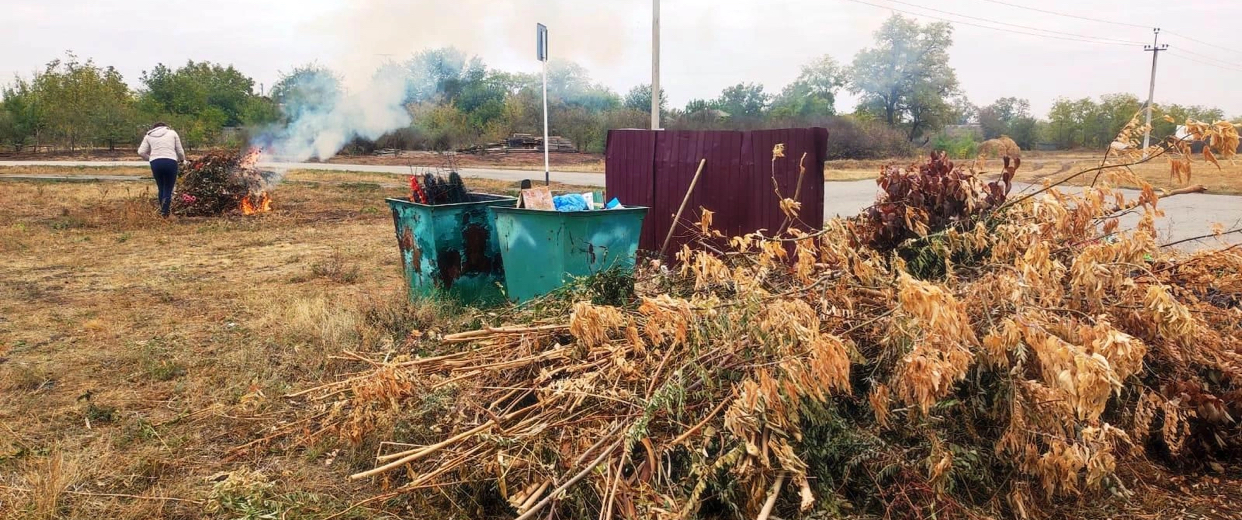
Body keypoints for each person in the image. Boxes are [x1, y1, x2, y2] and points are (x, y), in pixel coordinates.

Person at [137, 122, 187, 217]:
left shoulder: (149, 135)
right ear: (165, 127)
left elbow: (141, 152)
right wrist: (182, 160)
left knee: (161, 187)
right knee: (168, 188)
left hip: (156, 163)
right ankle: (165, 212)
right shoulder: (172, 133)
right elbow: (180, 151)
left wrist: (151, 158)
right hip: (170, 162)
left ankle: (162, 210)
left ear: (154, 128)